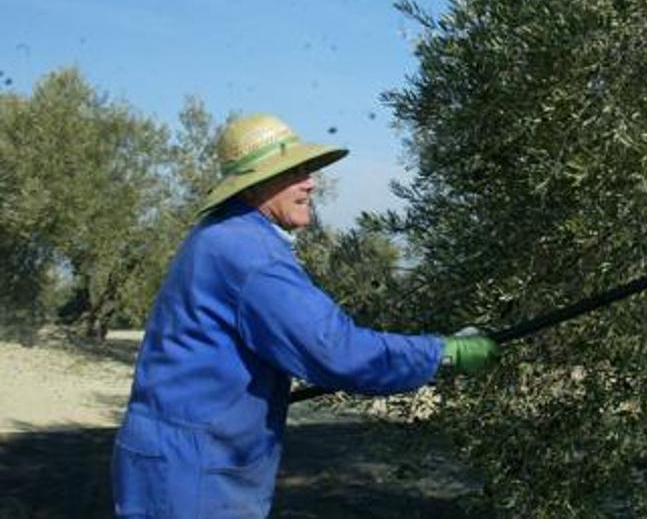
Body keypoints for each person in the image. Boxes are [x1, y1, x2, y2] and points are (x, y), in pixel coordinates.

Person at [111, 113, 498, 518]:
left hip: (175, 459)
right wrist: (444, 352)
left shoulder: (222, 234)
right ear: (254, 184)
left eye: (307, 169)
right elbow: (340, 353)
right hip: (193, 475)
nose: (311, 182)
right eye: (293, 172)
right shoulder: (251, 255)